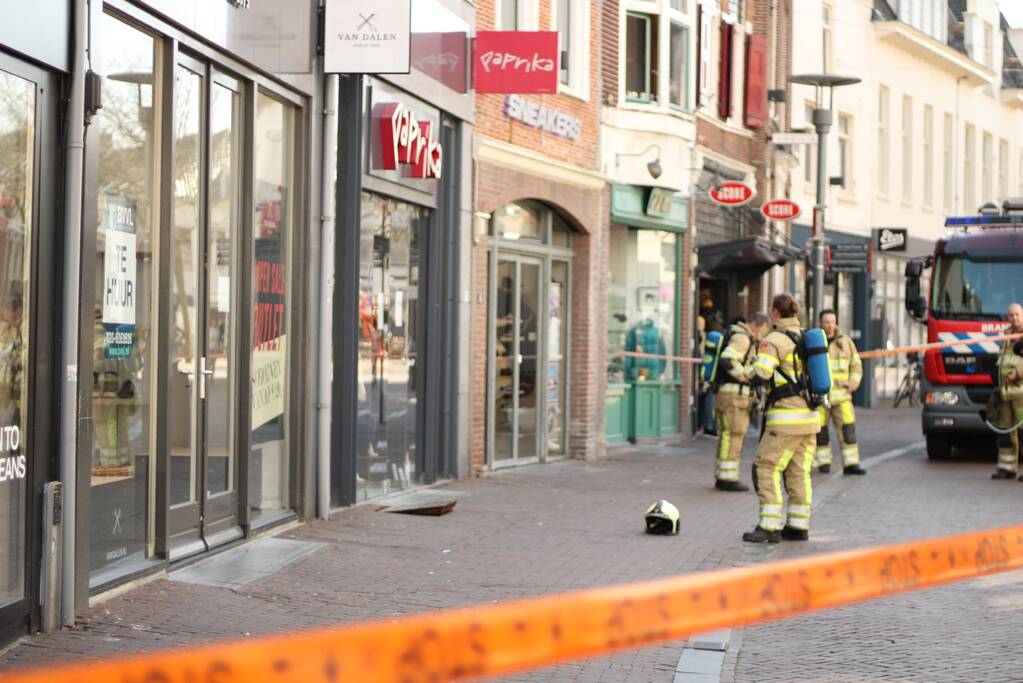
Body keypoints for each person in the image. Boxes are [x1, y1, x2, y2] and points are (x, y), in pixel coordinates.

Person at [742, 294, 820, 543]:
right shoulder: (809, 337)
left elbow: (761, 372)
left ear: (775, 312)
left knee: (767, 467)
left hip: (785, 418)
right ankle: (798, 526)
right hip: (810, 418)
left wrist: (746, 372)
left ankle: (769, 526)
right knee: (799, 471)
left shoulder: (774, 339)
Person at [713, 312, 770, 491]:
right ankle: (729, 479)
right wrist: (744, 376)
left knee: (726, 436)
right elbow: (728, 358)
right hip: (735, 398)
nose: (762, 335)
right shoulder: (743, 339)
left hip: (725, 394)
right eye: (763, 331)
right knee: (735, 436)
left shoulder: (735, 333)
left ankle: (722, 474)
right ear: (757, 325)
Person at [814, 310, 867, 475]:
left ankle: (851, 463)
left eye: (833, 321)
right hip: (821, 397)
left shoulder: (846, 342)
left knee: (847, 429)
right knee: (820, 432)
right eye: (826, 322)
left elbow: (856, 365)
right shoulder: (814, 341)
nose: (830, 325)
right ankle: (823, 463)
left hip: (842, 396)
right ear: (820, 323)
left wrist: (853, 383)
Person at [990, 303, 1023, 479]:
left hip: (1021, 393)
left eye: (1017, 315)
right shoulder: (1007, 335)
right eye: (1011, 315)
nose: (1014, 318)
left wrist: (1017, 372)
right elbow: (1002, 359)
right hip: (1005, 392)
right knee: (1006, 431)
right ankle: (1007, 468)